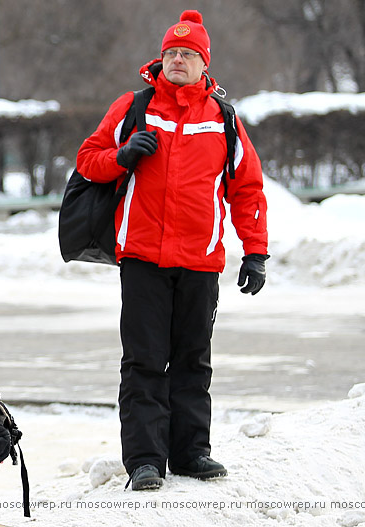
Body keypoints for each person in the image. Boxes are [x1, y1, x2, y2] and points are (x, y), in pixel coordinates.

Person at [76, 10, 269, 491]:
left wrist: (255, 252)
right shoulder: (134, 107)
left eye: (188, 54)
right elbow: (87, 162)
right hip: (142, 257)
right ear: (160, 59)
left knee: (193, 360)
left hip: (200, 262)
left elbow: (247, 189)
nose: (178, 60)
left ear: (204, 64)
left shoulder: (223, 118)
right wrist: (121, 156)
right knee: (144, 361)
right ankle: (144, 459)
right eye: (171, 53)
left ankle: (190, 453)